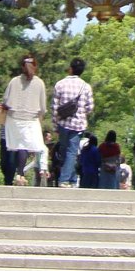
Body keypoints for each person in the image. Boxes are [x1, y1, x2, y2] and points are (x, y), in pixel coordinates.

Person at [0, 53, 48, 186]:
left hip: (14, 118)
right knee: (24, 147)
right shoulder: (39, 83)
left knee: (13, 147)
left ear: (22, 66)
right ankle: (20, 174)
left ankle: (10, 177)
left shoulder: (14, 81)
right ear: (35, 67)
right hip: (30, 119)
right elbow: (42, 107)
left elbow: (5, 101)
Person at [53, 56, 94, 187]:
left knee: (65, 151)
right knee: (72, 151)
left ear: (70, 69)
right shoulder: (86, 87)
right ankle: (67, 179)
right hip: (78, 125)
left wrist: (55, 125)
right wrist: (82, 112)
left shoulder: (59, 84)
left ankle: (66, 179)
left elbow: (54, 107)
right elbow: (90, 107)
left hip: (63, 124)